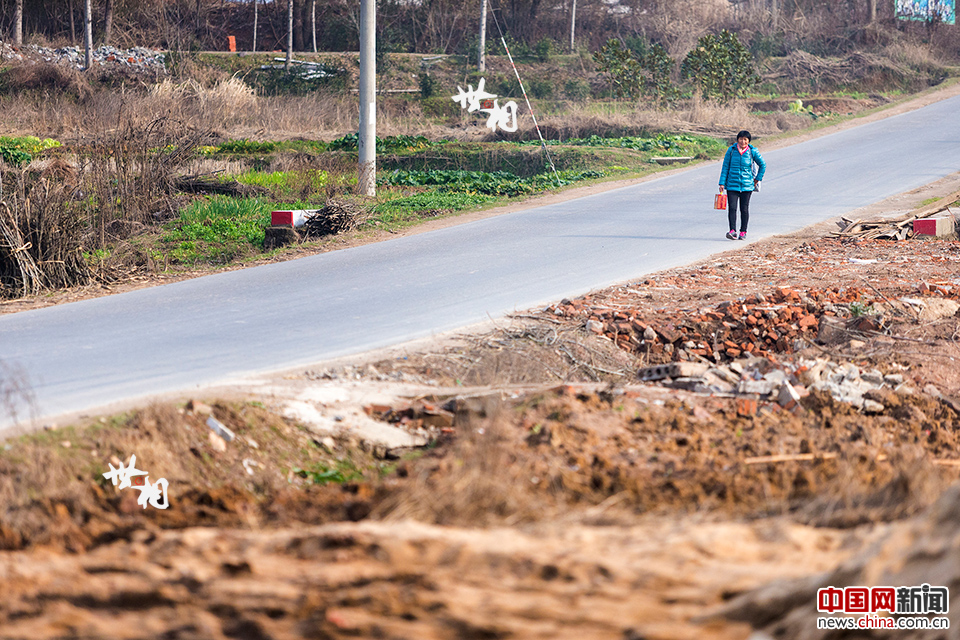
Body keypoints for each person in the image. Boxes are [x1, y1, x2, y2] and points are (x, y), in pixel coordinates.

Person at [719, 130, 766, 240]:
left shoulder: (752, 151)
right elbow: (725, 166)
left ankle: (743, 231)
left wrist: (757, 179)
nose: (743, 141)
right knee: (732, 208)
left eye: (745, 139)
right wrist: (722, 182)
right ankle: (732, 231)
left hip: (747, 186)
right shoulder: (731, 150)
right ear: (737, 139)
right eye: (741, 139)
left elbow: (762, 165)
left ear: (748, 141)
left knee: (744, 209)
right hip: (732, 184)